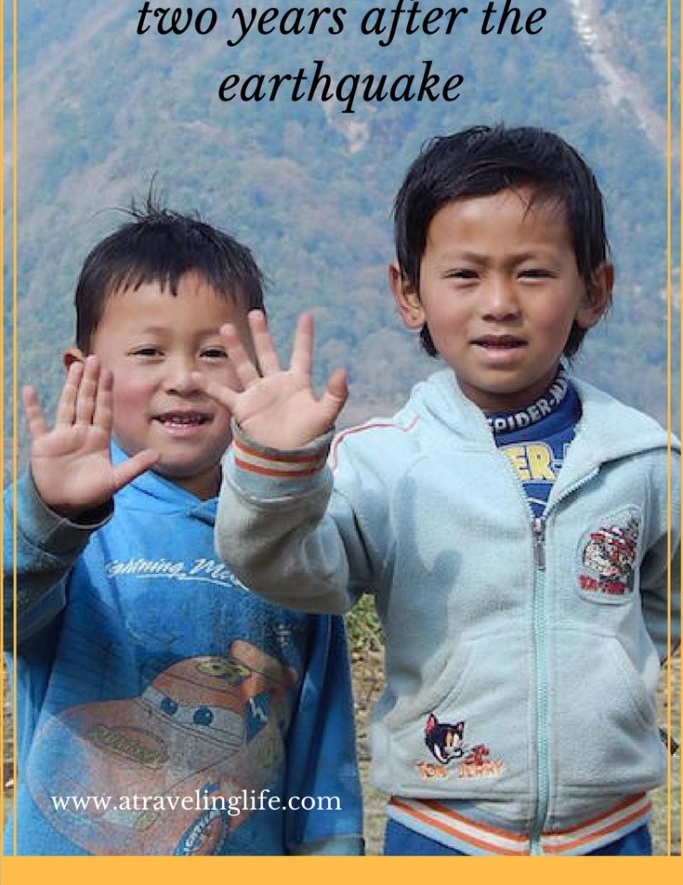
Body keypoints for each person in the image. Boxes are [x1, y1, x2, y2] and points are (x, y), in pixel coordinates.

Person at [203, 125, 680, 856]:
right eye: (463, 275)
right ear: (409, 293)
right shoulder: (387, 463)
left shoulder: (642, 459)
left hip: (610, 833)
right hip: (441, 830)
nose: (498, 302)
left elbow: (665, 588)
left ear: (593, 290)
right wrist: (274, 469)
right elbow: (285, 568)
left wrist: (616, 671)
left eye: (532, 273)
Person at [3, 199, 363, 856]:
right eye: (147, 351)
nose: (184, 379)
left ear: (255, 364)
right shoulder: (62, 530)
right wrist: (46, 517)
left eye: (211, 353)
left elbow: (322, 751)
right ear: (83, 371)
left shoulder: (289, 543)